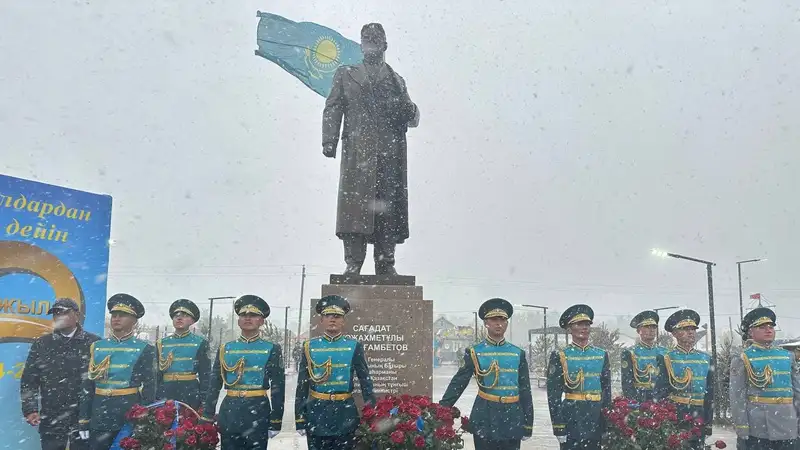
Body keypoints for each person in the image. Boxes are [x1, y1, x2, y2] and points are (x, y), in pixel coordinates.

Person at [322, 22, 420, 276]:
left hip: (390, 155)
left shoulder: (396, 80)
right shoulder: (346, 74)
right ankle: (353, 263)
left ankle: (386, 263)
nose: (370, 43)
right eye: (366, 39)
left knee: (387, 211)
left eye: (375, 39)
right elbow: (333, 106)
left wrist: (405, 107)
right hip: (358, 153)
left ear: (385, 45)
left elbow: (412, 117)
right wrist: (329, 140)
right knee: (355, 210)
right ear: (361, 44)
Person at [439, 298, 534, 450]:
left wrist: (528, 422)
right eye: (494, 319)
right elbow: (459, 382)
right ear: (486, 323)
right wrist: (441, 408)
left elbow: (525, 389)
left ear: (507, 324)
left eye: (502, 319)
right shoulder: (474, 352)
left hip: (513, 416)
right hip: (485, 414)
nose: (498, 323)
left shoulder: (518, 353)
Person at [202, 295, 285, 449]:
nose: (248, 318)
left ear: (261, 321)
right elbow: (214, 383)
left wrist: (276, 419)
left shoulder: (272, 349)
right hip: (230, 410)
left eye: (253, 315)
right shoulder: (225, 348)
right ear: (238, 320)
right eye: (243, 315)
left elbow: (278, 386)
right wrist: (208, 413)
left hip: (258, 410)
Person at [295, 295, 375, 450]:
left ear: (343, 321)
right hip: (316, 412)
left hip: (345, 412)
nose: (332, 319)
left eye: (337, 316)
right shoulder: (309, 346)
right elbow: (302, 385)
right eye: (328, 316)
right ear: (321, 321)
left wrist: (371, 410)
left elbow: (365, 380)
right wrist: (299, 417)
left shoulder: (354, 346)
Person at [20, 298, 100, 450]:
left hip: (83, 417)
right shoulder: (42, 344)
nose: (59, 316)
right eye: (55, 313)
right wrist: (30, 409)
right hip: (52, 416)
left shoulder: (94, 344)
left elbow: (101, 382)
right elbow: (29, 380)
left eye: (64, 312)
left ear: (77, 315)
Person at [78, 293, 156, 450]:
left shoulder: (146, 349)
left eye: (122, 315)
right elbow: (87, 386)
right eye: (114, 315)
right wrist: (84, 419)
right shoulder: (96, 347)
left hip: (128, 412)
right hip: (99, 413)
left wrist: (144, 419)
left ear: (134, 321)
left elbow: (150, 386)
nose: (116, 318)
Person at [730, 307, 800, 450]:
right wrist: (742, 428)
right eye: (762, 327)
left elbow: (797, 391)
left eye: (771, 327)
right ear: (751, 331)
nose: (768, 330)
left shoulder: (787, 356)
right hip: (759, 427)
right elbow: (737, 396)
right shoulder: (743, 358)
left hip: (788, 424)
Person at [546, 304, 611, 450]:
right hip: (571, 417)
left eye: (587, 324)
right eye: (579, 324)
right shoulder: (560, 355)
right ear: (570, 329)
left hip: (596, 417)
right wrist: (558, 426)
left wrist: (607, 423)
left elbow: (606, 391)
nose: (584, 328)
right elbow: (553, 395)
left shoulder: (601, 354)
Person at [655, 309, 714, 450]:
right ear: (674, 333)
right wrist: (663, 419)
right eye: (685, 329)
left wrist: (708, 420)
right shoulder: (666, 358)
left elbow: (710, 393)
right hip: (676, 414)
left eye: (693, 329)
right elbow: (660, 392)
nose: (691, 332)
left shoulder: (706, 358)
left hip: (699, 413)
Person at [155, 299, 210, 411]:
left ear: (192, 321)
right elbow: (156, 375)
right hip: (165, 392)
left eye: (184, 315)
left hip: (190, 392)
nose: (179, 318)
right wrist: (155, 396)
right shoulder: (161, 343)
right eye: (176, 316)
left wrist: (205, 400)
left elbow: (205, 375)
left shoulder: (200, 343)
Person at [620, 310, 667, 402]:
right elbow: (627, 383)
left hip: (660, 399)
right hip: (639, 398)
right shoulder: (630, 352)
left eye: (654, 327)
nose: (651, 330)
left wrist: (661, 401)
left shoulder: (665, 353)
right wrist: (635, 403)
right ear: (638, 330)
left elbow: (666, 382)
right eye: (647, 326)